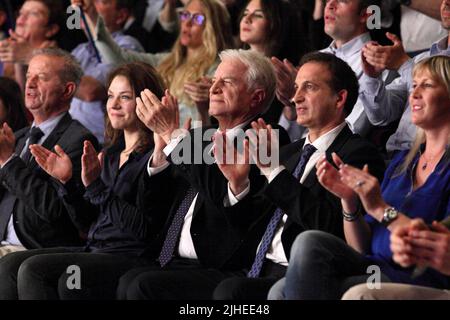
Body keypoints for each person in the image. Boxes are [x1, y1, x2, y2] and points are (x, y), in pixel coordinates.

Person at [268, 55, 450, 300]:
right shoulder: (402, 161)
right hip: (375, 267)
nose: (414, 93)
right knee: (279, 290)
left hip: (419, 277)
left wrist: (378, 207)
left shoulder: (362, 152)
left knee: (312, 246)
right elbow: (360, 247)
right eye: (414, 85)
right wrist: (350, 203)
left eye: (426, 85)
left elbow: (431, 246)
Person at [115, 49, 290, 300]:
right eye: (214, 81)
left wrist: (172, 134)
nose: (214, 88)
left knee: (141, 286)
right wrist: (160, 153)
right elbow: (153, 206)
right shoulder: (199, 137)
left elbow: (220, 194)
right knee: (127, 281)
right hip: (170, 258)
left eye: (226, 82)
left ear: (256, 97)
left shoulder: (268, 137)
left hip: (220, 265)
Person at [211, 52, 385, 300]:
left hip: (301, 274)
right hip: (255, 269)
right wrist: (239, 185)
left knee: (231, 292)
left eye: (310, 87)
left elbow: (329, 227)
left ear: (340, 98)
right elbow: (247, 227)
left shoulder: (357, 154)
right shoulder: (286, 153)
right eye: (296, 88)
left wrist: (273, 172)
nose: (296, 97)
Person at [0, 61, 171, 300]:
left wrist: (96, 187)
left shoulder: (155, 158)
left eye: (125, 97)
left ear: (146, 102)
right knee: (10, 264)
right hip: (94, 248)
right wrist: (66, 181)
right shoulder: (109, 155)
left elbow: (143, 230)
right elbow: (86, 223)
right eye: (111, 96)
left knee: (35, 271)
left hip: (129, 256)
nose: (114, 104)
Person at [0, 48, 98, 257]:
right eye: (28, 76)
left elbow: (55, 211)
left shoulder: (79, 140)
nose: (30, 83)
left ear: (67, 90)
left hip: (35, 251)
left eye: (41, 77)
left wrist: (8, 161)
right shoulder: (17, 138)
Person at [74, 0, 233, 127]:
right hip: (158, 143)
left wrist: (212, 99)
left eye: (197, 18)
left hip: (191, 149)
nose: (187, 23)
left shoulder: (221, 69)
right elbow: (118, 59)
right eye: (185, 15)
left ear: (214, 26)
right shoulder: (166, 61)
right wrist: (93, 17)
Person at [276, 0, 394, 142]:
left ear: (365, 15)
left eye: (341, 0)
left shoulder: (378, 64)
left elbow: (355, 130)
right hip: (298, 154)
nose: (330, 5)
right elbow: (290, 138)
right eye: (327, 0)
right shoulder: (314, 59)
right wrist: (291, 104)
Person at [359, 0, 450, 155]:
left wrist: (403, 64)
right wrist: (373, 77)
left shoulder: (411, 63)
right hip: (395, 159)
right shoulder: (422, 58)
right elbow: (380, 116)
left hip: (436, 160)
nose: (446, 2)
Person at [70, 0, 145, 145]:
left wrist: (40, 62)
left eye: (101, 1)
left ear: (121, 15)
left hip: (103, 144)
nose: (89, 5)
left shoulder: (127, 45)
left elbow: (90, 92)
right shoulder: (80, 50)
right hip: (71, 140)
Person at [342, 218, 450, 300]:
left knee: (359, 295)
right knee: (324, 245)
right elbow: (441, 232)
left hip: (403, 275)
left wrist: (380, 209)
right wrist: (414, 238)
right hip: (375, 265)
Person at [0, 0, 63, 90]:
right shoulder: (5, 51)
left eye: (34, 13)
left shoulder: (60, 60)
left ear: (51, 29)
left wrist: (31, 56)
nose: (22, 18)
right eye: (20, 13)